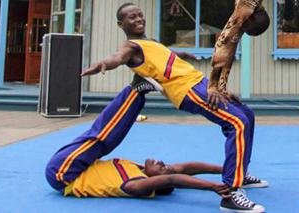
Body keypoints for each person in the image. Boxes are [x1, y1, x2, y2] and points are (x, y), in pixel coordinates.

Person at [81, 3, 268, 213]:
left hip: (201, 83)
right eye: (132, 17)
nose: (139, 19)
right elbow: (117, 57)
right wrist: (104, 64)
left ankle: (240, 172)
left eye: (140, 15)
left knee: (247, 115)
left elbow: (162, 54)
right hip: (188, 90)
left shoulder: (150, 42)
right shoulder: (130, 47)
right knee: (237, 123)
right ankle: (231, 192)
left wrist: (181, 54)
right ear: (120, 24)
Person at [45, 80, 232, 200]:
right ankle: (138, 91)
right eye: (164, 165)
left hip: (62, 174)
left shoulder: (135, 184)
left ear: (157, 179)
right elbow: (184, 168)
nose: (161, 162)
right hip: (78, 167)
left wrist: (214, 187)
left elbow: (172, 178)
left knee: (100, 138)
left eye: (161, 168)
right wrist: (229, 170)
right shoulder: (141, 169)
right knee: (113, 136)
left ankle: (135, 89)